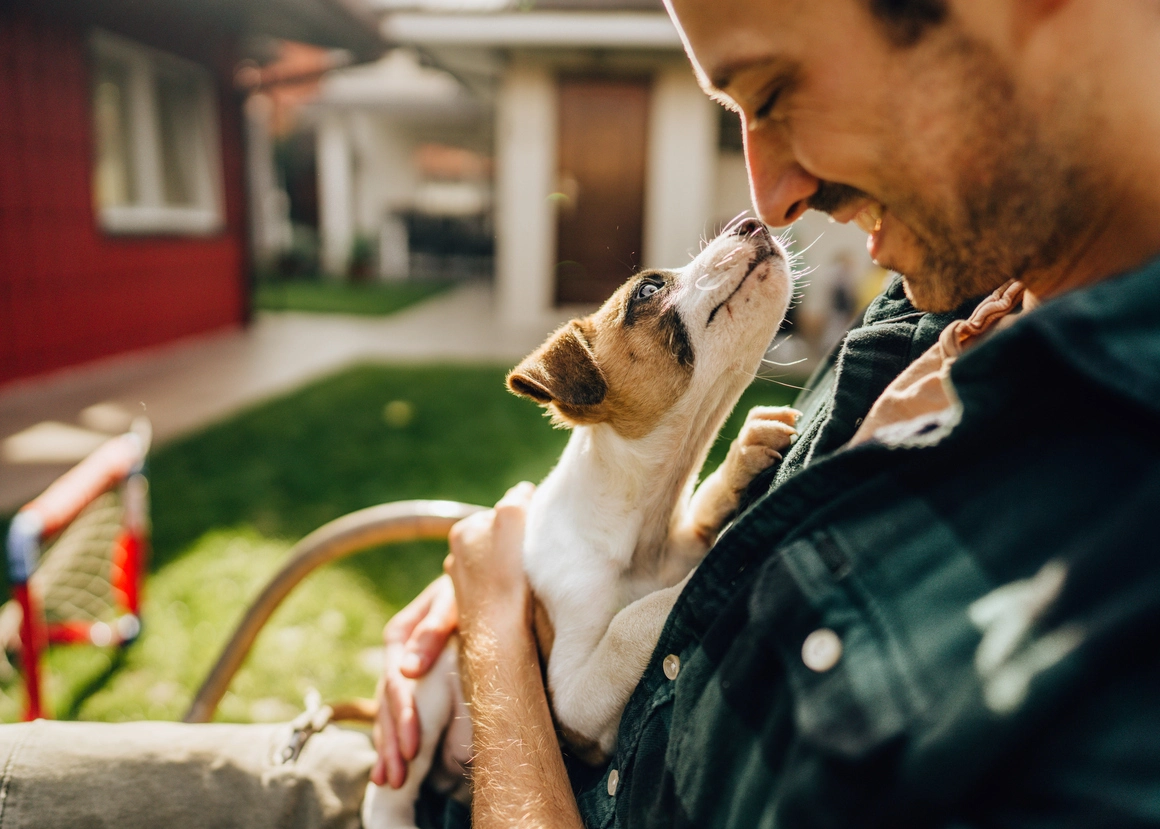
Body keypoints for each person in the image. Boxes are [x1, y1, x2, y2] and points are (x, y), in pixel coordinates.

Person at [372, 0, 1160, 827]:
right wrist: (503, 587)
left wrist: (494, 640)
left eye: (777, 90)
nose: (773, 199)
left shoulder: (1109, 576)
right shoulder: (948, 279)